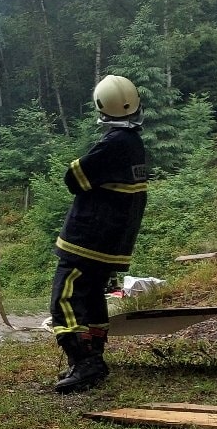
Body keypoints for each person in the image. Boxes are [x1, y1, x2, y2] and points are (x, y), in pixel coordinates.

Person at [49, 74, 148, 393]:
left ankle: (84, 362)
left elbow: (73, 179)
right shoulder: (136, 143)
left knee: (64, 298)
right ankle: (94, 357)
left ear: (102, 108)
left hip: (87, 240)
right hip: (111, 244)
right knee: (91, 299)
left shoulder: (113, 143)